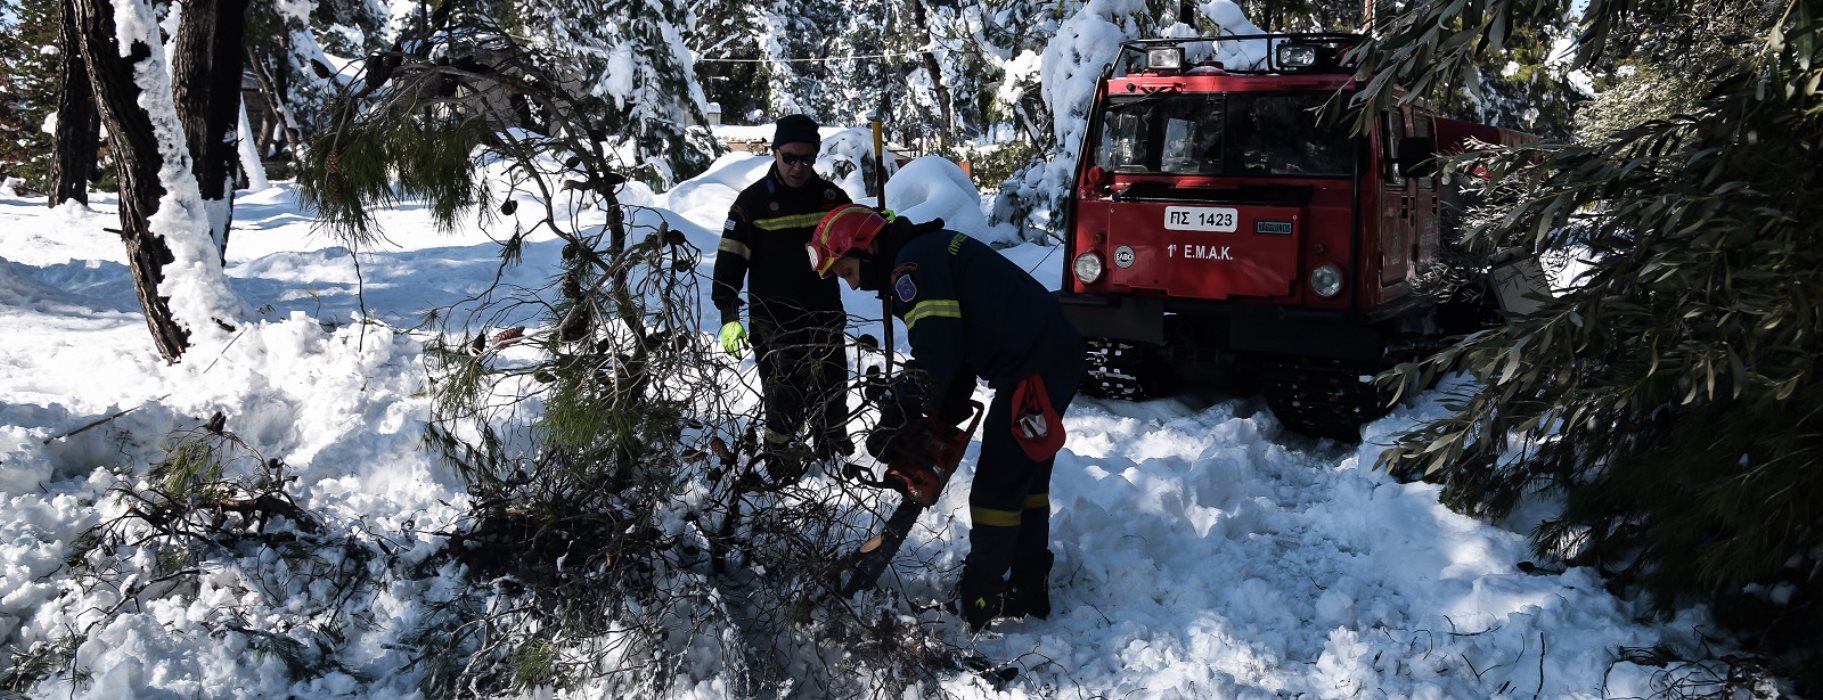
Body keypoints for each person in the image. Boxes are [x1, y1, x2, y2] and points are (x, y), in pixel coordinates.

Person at [806, 204, 1084, 632]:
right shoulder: (926, 251)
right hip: (1044, 356)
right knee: (1026, 479)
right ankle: (1029, 585)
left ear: (865, 248)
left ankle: (981, 594)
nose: (854, 285)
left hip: (1034, 366)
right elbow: (956, 353)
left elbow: (937, 354)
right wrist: (939, 411)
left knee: (998, 485)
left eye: (847, 272)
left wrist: (897, 410)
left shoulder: (911, 269)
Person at [712, 114, 855, 476]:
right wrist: (729, 317)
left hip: (824, 314)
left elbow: (860, 241)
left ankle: (833, 456)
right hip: (772, 320)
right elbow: (730, 262)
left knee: (832, 388)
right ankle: (779, 460)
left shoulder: (830, 199)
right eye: (789, 157)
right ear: (775, 153)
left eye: (806, 159)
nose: (797, 167)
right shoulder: (752, 204)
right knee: (784, 393)